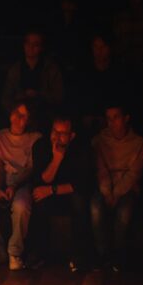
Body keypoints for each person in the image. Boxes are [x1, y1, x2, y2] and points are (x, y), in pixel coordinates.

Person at [0, 101, 42, 270]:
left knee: (21, 205)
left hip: (23, 181)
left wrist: (15, 186)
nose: (18, 118)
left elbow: (30, 169)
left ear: (29, 120)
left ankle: (15, 252)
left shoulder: (35, 138)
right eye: (16, 113)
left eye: (23, 115)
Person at [29, 115, 93, 270]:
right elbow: (41, 180)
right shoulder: (41, 145)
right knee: (39, 200)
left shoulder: (82, 149)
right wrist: (57, 159)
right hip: (51, 194)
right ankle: (39, 254)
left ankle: (78, 257)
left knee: (80, 201)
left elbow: (83, 184)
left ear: (71, 136)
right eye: (54, 131)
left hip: (69, 194)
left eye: (62, 133)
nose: (56, 137)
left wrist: (52, 189)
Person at [91, 104, 143, 271]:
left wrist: (116, 194)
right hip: (104, 187)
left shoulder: (139, 143)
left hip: (127, 188)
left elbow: (133, 174)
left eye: (116, 117)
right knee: (95, 207)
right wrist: (108, 192)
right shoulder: (99, 140)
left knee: (124, 212)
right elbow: (100, 170)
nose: (111, 122)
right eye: (108, 118)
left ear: (126, 118)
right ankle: (103, 255)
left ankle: (118, 256)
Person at [2, 31, 63, 127]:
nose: (31, 47)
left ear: (41, 47)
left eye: (36, 44)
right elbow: (6, 98)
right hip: (19, 120)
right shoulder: (15, 70)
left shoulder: (50, 69)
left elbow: (58, 96)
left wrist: (39, 95)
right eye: (28, 43)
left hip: (44, 118)